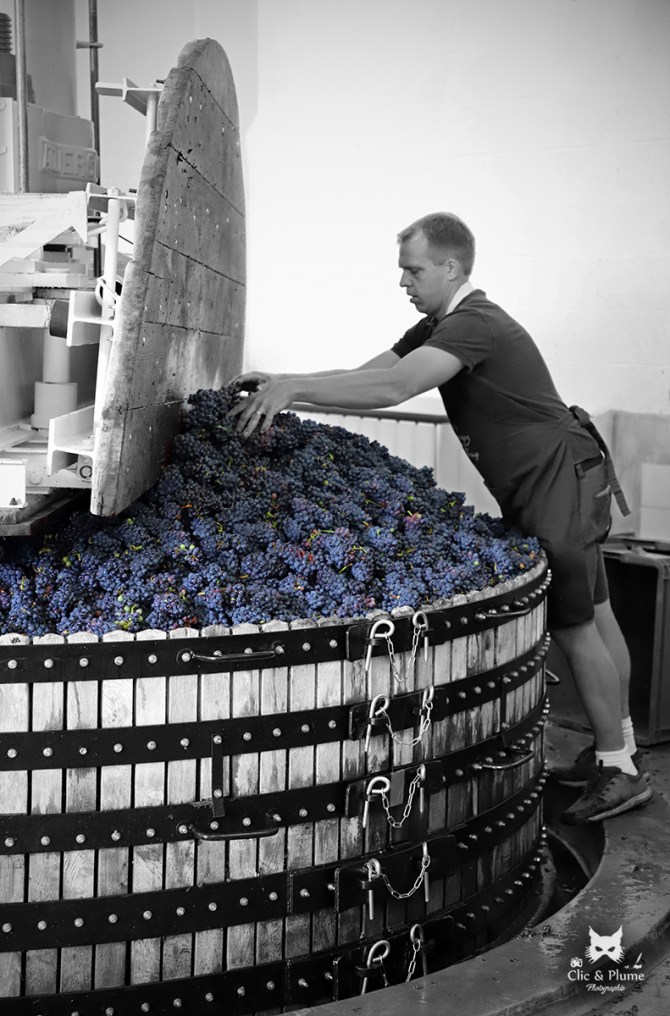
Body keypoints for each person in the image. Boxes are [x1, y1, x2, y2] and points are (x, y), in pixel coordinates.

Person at [229, 211, 652, 825]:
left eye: (414, 268)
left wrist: (292, 393)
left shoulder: (474, 324)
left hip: (557, 476)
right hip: (559, 474)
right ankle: (622, 748)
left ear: (451, 267)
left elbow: (394, 390)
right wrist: (287, 379)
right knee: (599, 610)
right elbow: (372, 371)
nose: (404, 280)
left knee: (575, 623)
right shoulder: (439, 323)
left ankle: (618, 768)